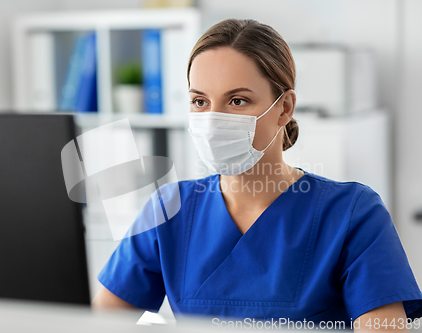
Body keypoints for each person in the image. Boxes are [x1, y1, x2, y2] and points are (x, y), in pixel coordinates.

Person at [92, 19, 422, 330]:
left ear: (284, 108)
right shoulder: (169, 209)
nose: (213, 121)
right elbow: (91, 326)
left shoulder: (353, 214)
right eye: (200, 101)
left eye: (237, 101)